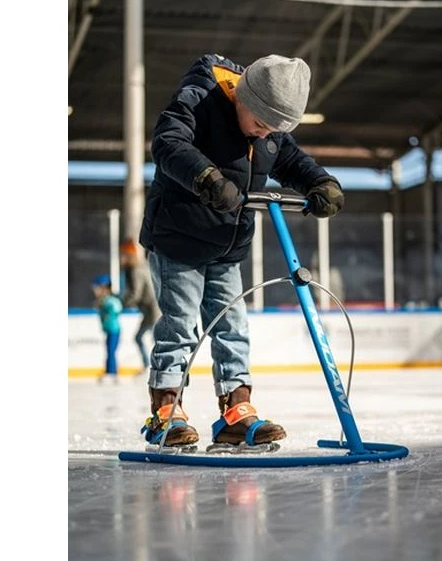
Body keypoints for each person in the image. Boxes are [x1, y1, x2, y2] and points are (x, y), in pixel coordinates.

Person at [138, 53, 345, 449]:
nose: (264, 135)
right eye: (261, 124)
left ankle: (236, 410)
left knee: (233, 328)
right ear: (243, 98)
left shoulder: (267, 130)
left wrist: (321, 182)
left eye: (273, 130)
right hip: (178, 239)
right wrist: (206, 178)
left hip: (228, 245)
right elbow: (168, 141)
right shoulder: (200, 98)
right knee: (180, 326)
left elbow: (290, 158)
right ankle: (166, 410)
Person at [119, 238, 160, 370]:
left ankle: (154, 366)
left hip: (152, 309)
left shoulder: (134, 270)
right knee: (145, 337)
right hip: (151, 308)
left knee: (151, 338)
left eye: (122, 256)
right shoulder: (139, 267)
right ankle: (152, 365)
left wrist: (121, 303)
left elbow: (136, 293)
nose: (120, 259)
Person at [91, 274, 123, 378]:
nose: (95, 291)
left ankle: (112, 372)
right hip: (110, 330)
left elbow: (117, 308)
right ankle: (109, 371)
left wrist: (107, 308)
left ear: (104, 288)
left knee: (111, 350)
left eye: (97, 288)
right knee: (109, 350)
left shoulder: (110, 300)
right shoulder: (103, 301)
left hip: (114, 330)